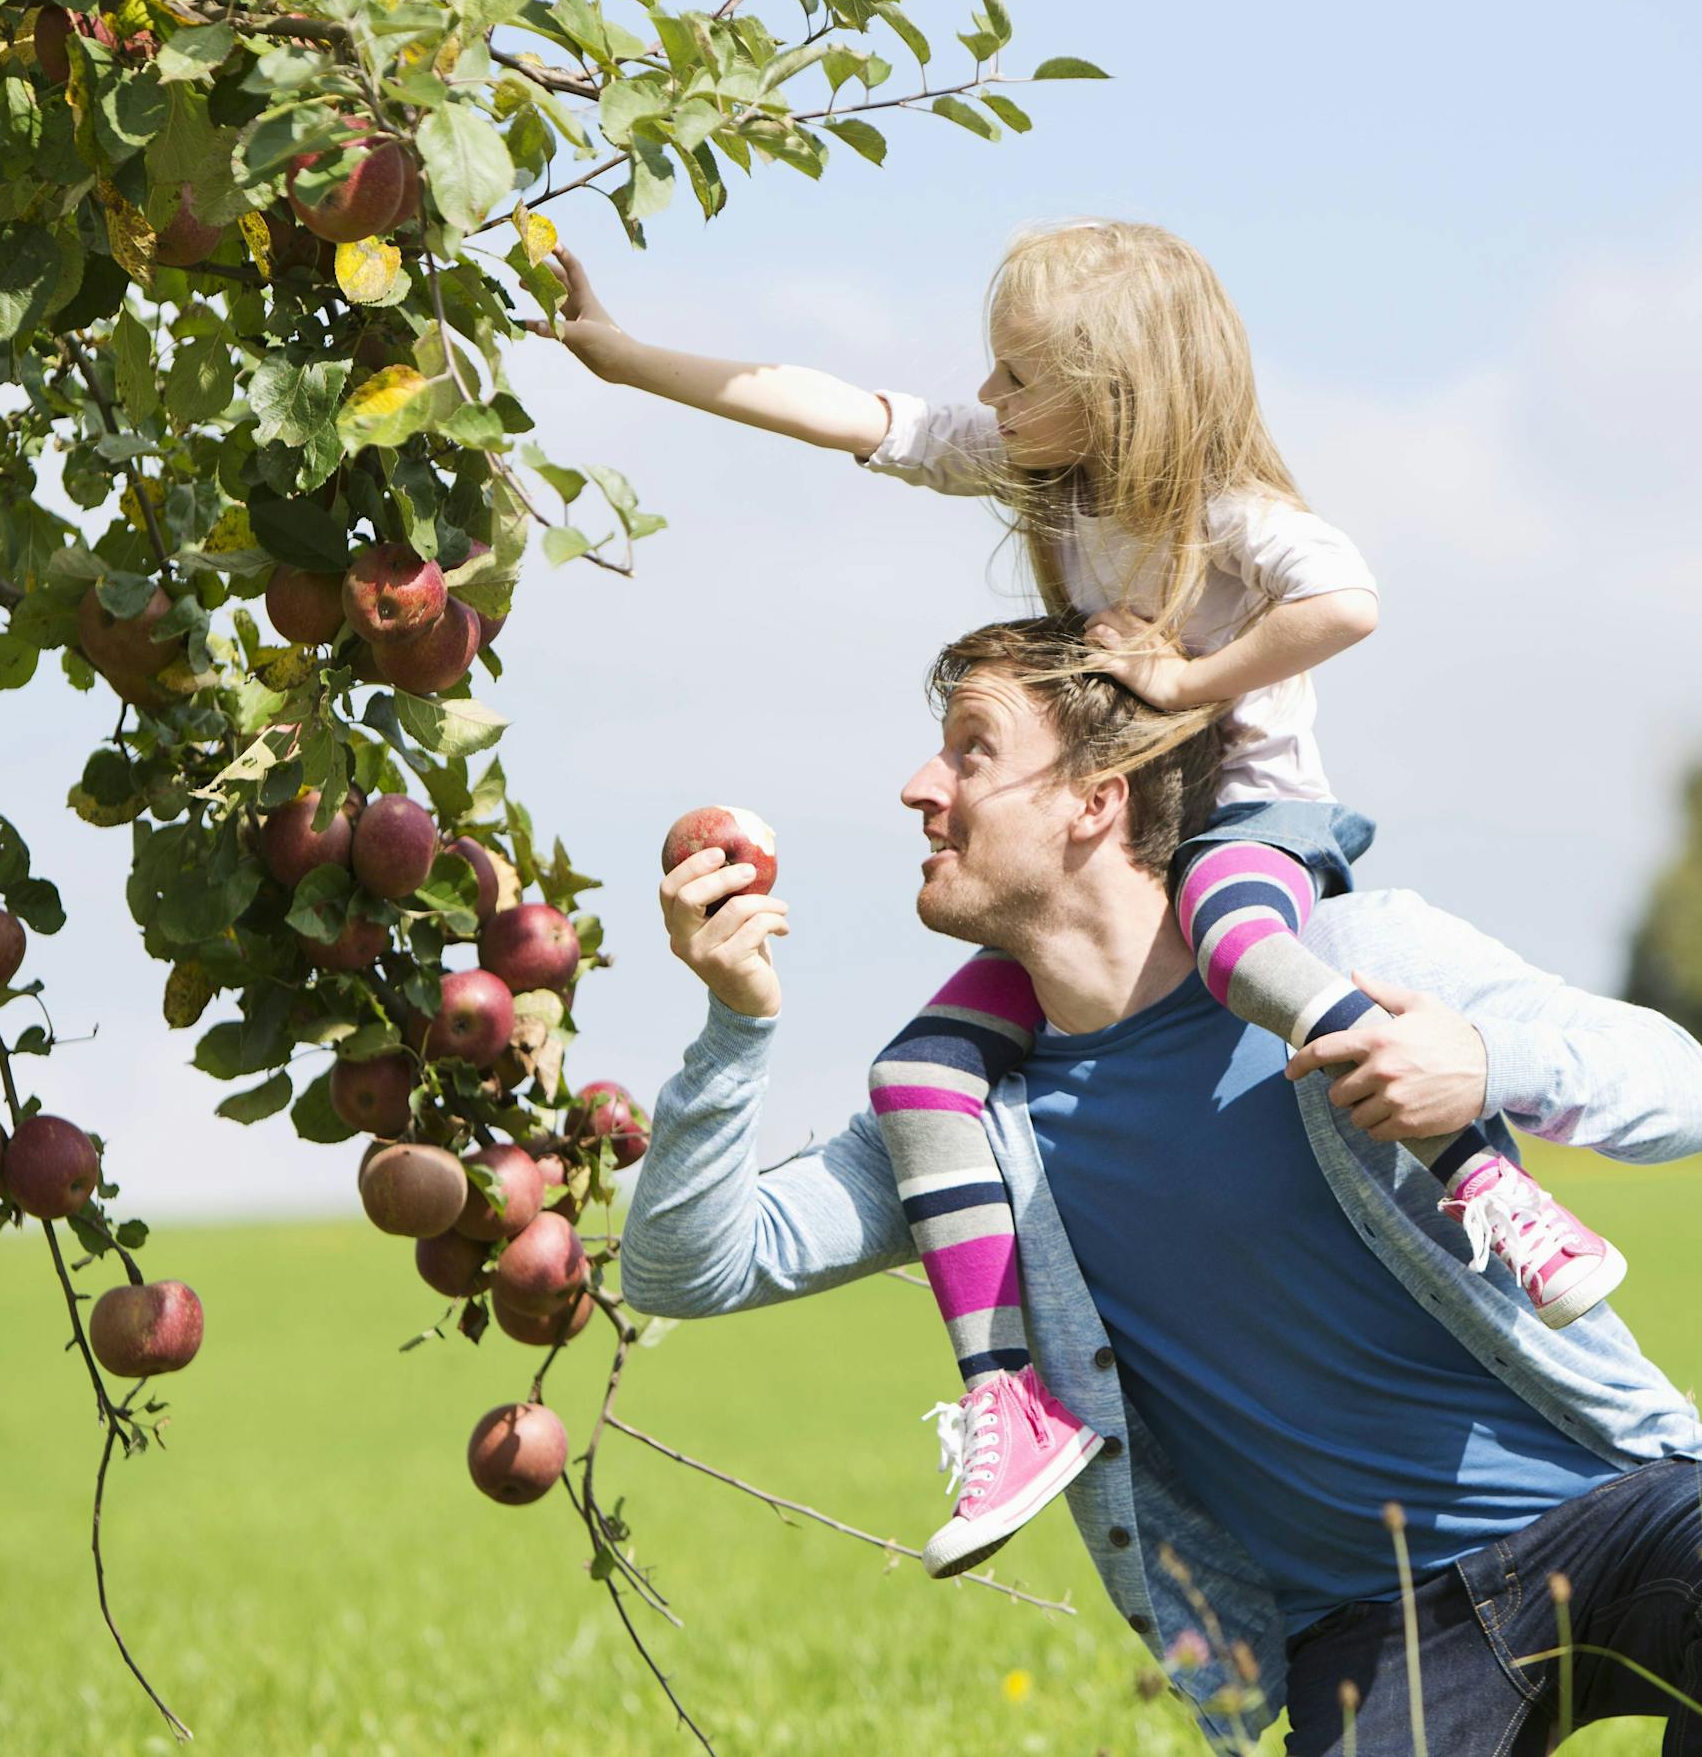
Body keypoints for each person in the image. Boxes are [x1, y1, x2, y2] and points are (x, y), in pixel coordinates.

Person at [532, 221, 1624, 1579]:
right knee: (923, 1067)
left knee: (1239, 940)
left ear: (1113, 396)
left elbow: (1346, 599)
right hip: (1361, 1606)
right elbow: (853, 416)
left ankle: (1485, 1184)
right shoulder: (1040, 471)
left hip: (1250, 828)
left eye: (1015, 378)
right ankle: (1007, 1387)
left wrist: (1186, 685)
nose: (984, 402)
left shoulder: (1222, 515)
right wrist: (625, 360)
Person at [618, 613, 1702, 1755]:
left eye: (970, 747)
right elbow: (687, 1264)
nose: (917, 786)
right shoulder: (965, 1131)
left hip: (1614, 1510)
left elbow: (1679, 1081)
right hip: (1376, 1630)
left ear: (1098, 798)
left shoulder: (1354, 954)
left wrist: (1486, 1062)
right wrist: (734, 1024)